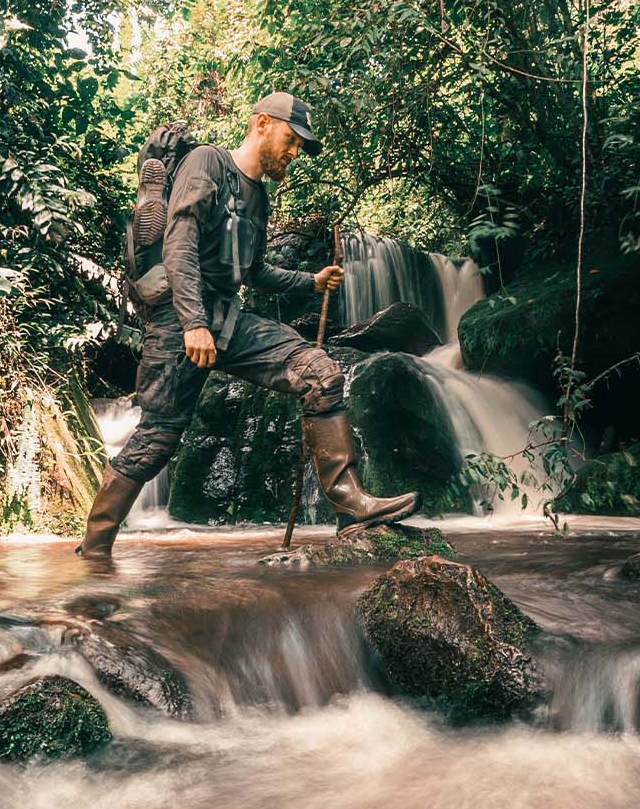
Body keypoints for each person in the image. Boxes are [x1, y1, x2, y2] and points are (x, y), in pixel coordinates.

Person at [78, 91, 420, 555]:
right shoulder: (206, 163)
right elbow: (179, 245)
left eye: (300, 145)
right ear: (262, 123)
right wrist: (193, 323)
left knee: (320, 373)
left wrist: (311, 282)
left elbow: (254, 271)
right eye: (292, 139)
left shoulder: (258, 196)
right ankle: (95, 549)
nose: (295, 152)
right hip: (176, 318)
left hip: (227, 320)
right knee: (157, 439)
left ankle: (350, 505)